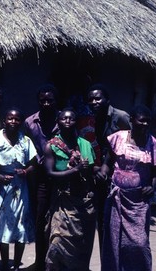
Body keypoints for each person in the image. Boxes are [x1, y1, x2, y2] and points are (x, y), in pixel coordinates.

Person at [100, 105, 156, 271]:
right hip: (116, 197)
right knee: (115, 240)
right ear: (132, 121)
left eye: (147, 121)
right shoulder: (118, 138)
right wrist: (102, 173)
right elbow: (107, 162)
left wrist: (152, 186)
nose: (144, 124)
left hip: (139, 201)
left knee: (139, 243)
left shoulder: (152, 143)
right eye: (141, 120)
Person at [44, 108, 96, 271]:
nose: (67, 121)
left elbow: (91, 172)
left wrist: (92, 169)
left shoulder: (86, 144)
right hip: (63, 202)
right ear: (58, 122)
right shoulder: (51, 146)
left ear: (76, 122)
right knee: (57, 242)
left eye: (71, 119)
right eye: (64, 119)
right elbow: (50, 173)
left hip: (83, 202)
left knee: (82, 245)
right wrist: (75, 169)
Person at [87, 83, 131, 249]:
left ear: (107, 99)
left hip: (120, 172)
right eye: (90, 99)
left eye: (98, 98)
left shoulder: (121, 117)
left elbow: (132, 143)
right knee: (102, 219)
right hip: (100, 173)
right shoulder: (91, 118)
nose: (94, 102)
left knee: (119, 218)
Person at [0, 108, 37, 271]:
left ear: (21, 122)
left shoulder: (25, 141)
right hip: (2, 188)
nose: (13, 122)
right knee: (3, 226)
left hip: (20, 188)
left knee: (21, 226)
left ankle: (17, 264)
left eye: (16, 119)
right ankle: (5, 264)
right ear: (4, 121)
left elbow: (34, 164)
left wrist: (25, 171)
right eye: (10, 118)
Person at [23, 84, 60, 271]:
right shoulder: (30, 122)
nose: (46, 103)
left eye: (50, 100)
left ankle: (55, 262)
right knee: (40, 219)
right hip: (39, 178)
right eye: (43, 100)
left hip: (61, 177)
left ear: (55, 101)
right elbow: (25, 147)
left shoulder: (64, 120)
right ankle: (39, 261)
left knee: (60, 219)